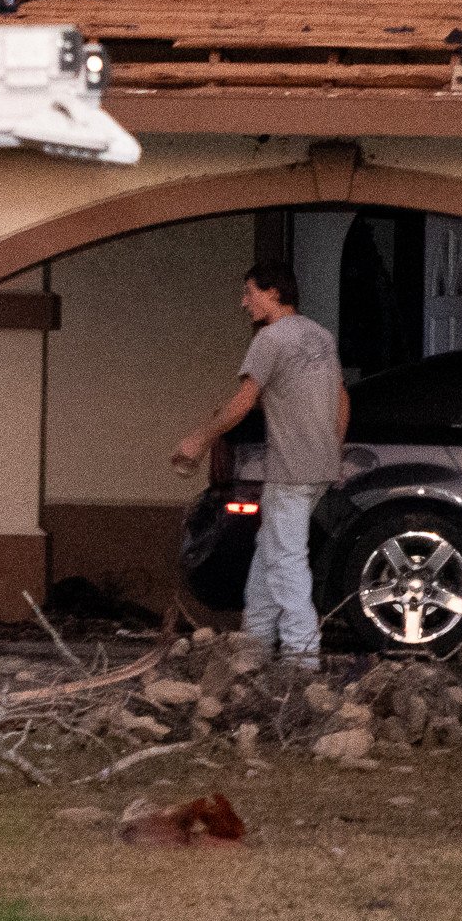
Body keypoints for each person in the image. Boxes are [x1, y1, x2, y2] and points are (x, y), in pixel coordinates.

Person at [170, 263, 347, 666]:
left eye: (249, 292)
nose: (244, 301)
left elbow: (244, 401)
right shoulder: (320, 336)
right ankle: (255, 642)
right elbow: (341, 397)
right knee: (269, 548)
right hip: (319, 466)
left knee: (286, 559)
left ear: (273, 292)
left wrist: (199, 439)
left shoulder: (269, 339)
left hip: (290, 468)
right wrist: (332, 448)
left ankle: (302, 654)